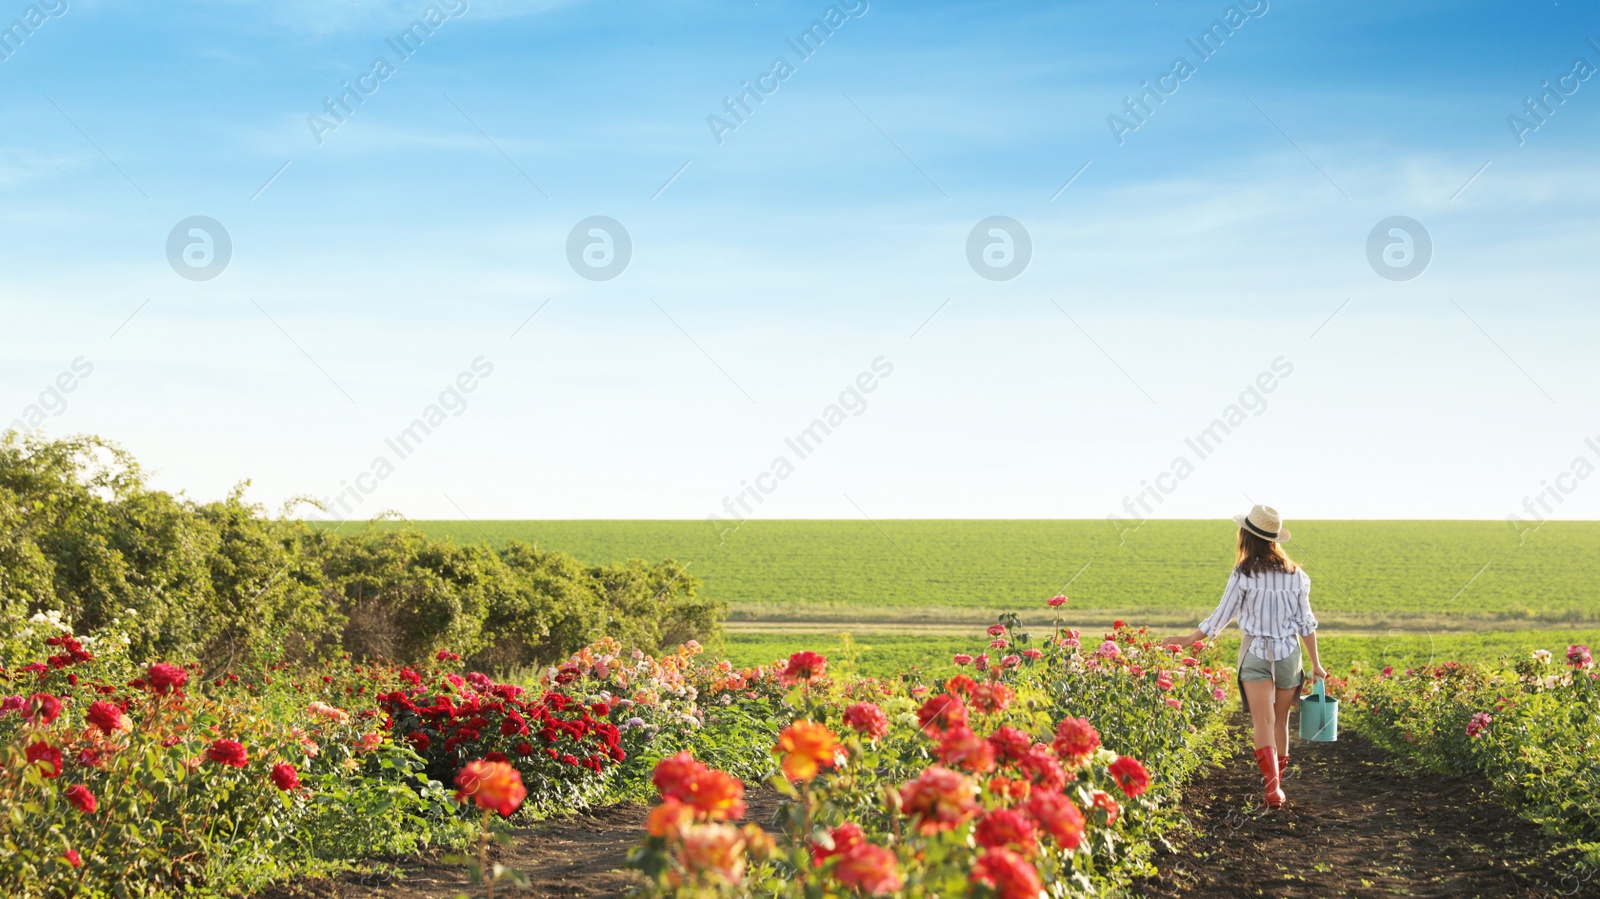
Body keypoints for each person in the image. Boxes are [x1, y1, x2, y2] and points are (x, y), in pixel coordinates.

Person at [1162, 505, 1326, 809]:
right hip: (1289, 654)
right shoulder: (1297, 576)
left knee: (1262, 720)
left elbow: (1221, 616)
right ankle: (1278, 785)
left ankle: (1272, 788)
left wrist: (1189, 639)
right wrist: (1315, 662)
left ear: (1247, 536)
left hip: (1255, 653)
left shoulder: (1244, 573)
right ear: (1275, 538)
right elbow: (1306, 623)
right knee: (1281, 721)